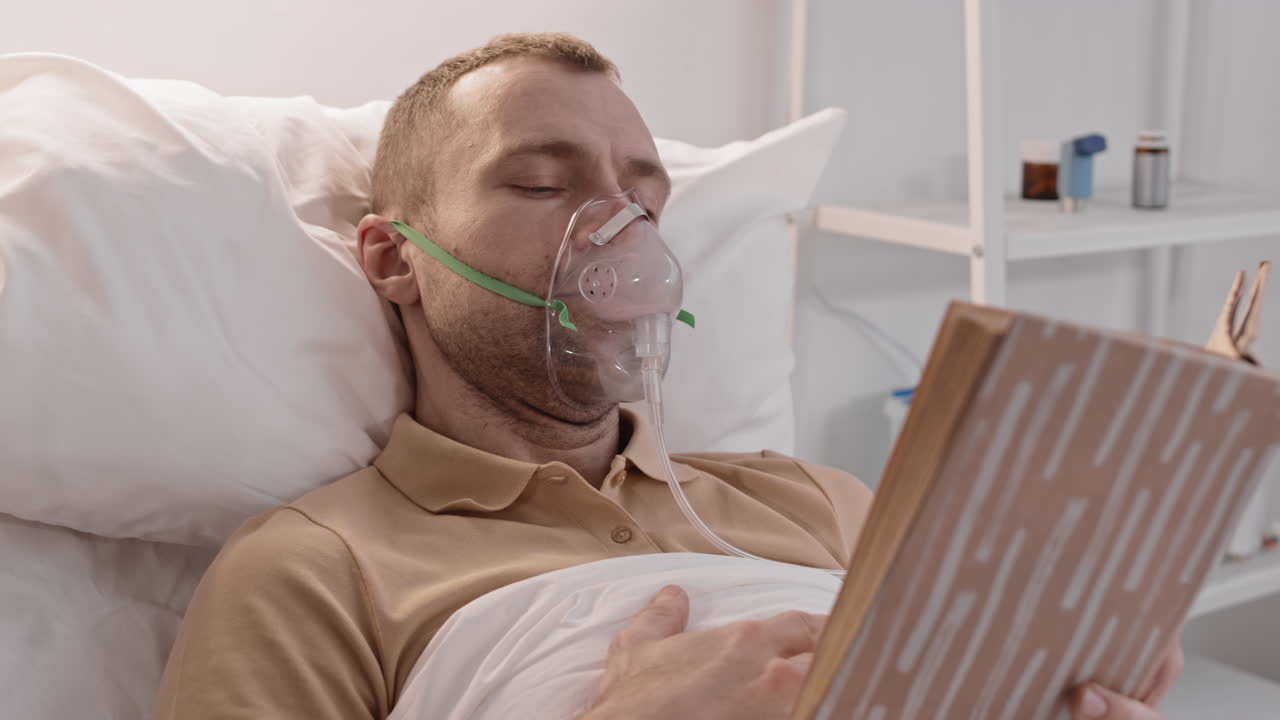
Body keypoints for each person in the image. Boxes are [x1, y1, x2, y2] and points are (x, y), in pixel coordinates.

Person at [152, 32, 1182, 720]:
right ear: (394, 258)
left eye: (644, 196)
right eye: (543, 182)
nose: (620, 228)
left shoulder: (810, 497)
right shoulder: (314, 569)